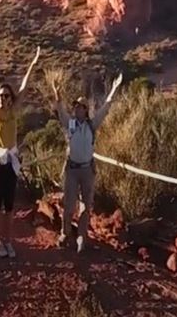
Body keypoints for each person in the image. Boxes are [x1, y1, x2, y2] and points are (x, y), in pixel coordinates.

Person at [47, 71, 123, 253]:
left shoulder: (91, 124)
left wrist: (114, 89)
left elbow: (105, 108)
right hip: (72, 170)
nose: (77, 110)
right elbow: (59, 109)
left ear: (85, 109)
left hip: (87, 169)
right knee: (69, 204)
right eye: (76, 107)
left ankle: (82, 236)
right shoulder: (70, 124)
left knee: (86, 205)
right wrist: (56, 92)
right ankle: (65, 233)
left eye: (80, 107)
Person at [0, 46, 41, 258]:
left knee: (9, 207)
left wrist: (32, 63)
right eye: (1, 96)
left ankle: (8, 241)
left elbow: (24, 86)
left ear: (11, 98)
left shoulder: (13, 111)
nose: (3, 98)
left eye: (6, 96)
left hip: (11, 162)